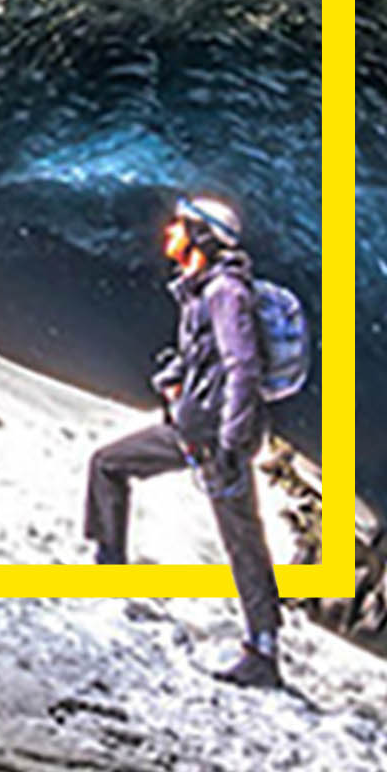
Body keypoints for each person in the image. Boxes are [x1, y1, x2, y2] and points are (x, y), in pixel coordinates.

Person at [82, 191, 288, 690]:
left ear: (201, 236)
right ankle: (108, 571)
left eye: (178, 225)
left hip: (218, 439)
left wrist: (234, 441)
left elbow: (243, 366)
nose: (168, 232)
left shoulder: (225, 293)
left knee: (243, 542)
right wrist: (176, 374)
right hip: (189, 429)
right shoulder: (199, 291)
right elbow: (207, 358)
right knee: (108, 464)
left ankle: (262, 653)